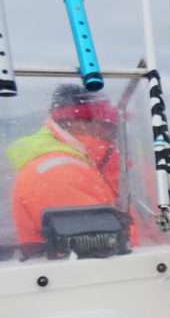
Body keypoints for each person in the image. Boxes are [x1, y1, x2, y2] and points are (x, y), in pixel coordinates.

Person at [5, 84, 124, 248]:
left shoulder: (73, 163)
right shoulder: (58, 172)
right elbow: (101, 245)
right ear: (76, 123)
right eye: (105, 122)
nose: (113, 130)